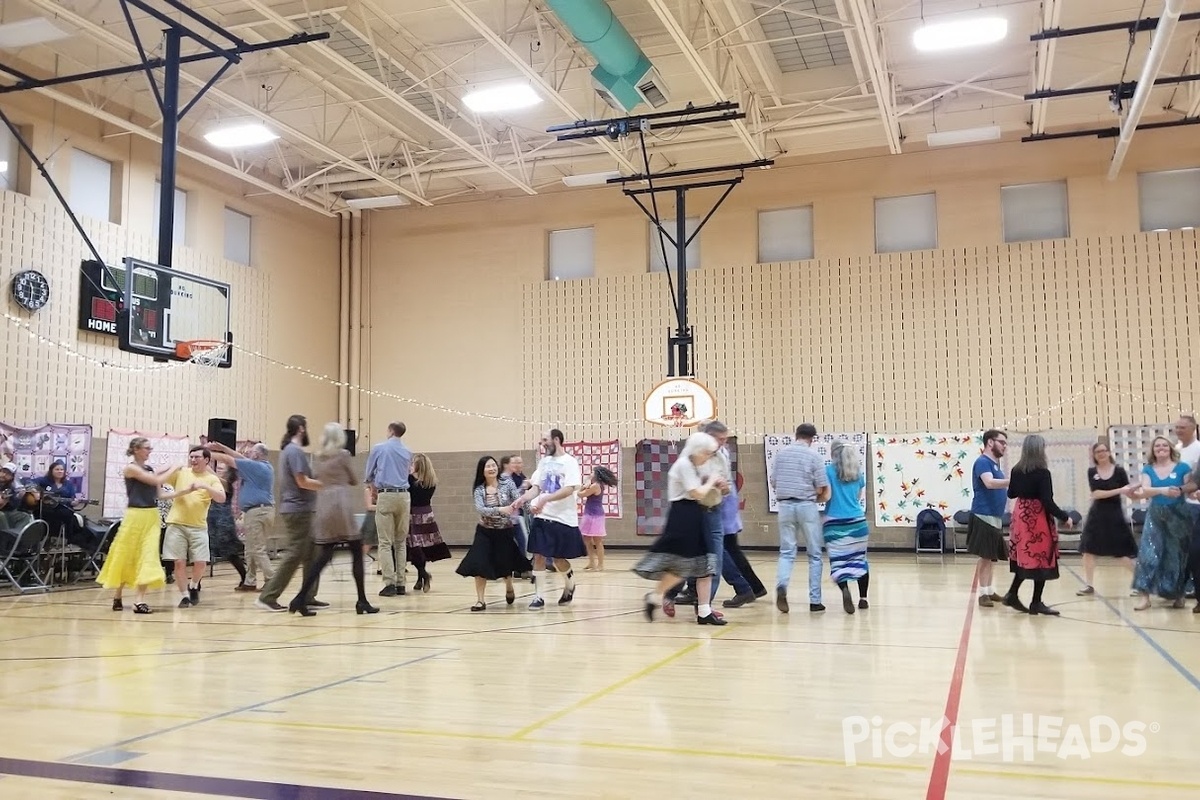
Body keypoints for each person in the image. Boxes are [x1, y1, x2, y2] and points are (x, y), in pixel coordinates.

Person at [634, 432, 728, 626]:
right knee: (681, 566)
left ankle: (704, 611)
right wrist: (711, 482)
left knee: (705, 565)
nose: (709, 457)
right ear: (698, 450)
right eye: (707, 453)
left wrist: (719, 485)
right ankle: (655, 596)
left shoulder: (696, 466)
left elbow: (708, 492)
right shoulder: (684, 464)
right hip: (683, 516)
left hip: (697, 514)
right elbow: (696, 493)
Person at [287, 423, 378, 616]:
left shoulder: (318, 456)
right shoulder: (343, 455)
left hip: (324, 504)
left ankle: (300, 598)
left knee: (325, 554)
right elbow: (353, 480)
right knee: (356, 551)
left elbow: (317, 479)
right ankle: (362, 601)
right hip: (341, 504)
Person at [256, 415, 326, 612]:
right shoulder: (294, 451)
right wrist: (326, 485)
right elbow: (302, 481)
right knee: (295, 554)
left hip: (303, 509)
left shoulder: (291, 450)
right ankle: (268, 596)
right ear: (301, 429)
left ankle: (308, 595)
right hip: (298, 510)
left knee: (312, 554)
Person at [98, 438, 173, 614]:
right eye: (147, 448)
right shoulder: (131, 468)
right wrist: (175, 468)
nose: (149, 451)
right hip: (134, 516)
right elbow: (155, 480)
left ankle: (139, 601)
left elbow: (159, 493)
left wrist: (187, 490)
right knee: (127, 555)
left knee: (148, 555)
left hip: (151, 516)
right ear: (137, 449)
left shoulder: (148, 469)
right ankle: (118, 595)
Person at [515, 429, 586, 609]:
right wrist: (523, 498)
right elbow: (537, 488)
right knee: (538, 555)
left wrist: (546, 499)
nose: (543, 443)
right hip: (542, 516)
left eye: (545, 439)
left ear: (556, 439)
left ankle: (570, 584)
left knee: (558, 560)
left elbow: (569, 489)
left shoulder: (570, 462)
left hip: (563, 518)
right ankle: (538, 597)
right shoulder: (544, 462)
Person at [1003, 434, 1072, 615]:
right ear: (1039, 450)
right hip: (1037, 518)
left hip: (1021, 516)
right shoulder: (1043, 473)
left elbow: (1011, 494)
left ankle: (1012, 594)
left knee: (1025, 557)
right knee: (1042, 558)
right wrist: (1065, 516)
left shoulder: (1016, 470)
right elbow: (1047, 501)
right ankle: (1036, 602)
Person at [456, 456, 531, 610]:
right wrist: (499, 509)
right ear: (482, 471)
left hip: (504, 531)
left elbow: (518, 499)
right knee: (479, 562)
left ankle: (509, 585)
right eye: (488, 466)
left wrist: (530, 508)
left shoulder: (507, 484)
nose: (492, 468)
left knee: (505, 562)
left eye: (493, 465)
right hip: (485, 532)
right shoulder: (479, 489)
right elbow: (480, 508)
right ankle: (480, 600)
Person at [771, 423, 831, 613]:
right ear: (812, 439)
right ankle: (815, 601)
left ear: (795, 435)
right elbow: (822, 487)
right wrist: (815, 496)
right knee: (814, 554)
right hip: (807, 505)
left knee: (786, 552)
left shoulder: (781, 454)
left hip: (785, 506)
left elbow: (773, 481)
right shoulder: (814, 456)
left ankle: (782, 585)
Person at [1131, 436, 1192, 611]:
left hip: (1179, 515)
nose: (1161, 448)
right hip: (1156, 515)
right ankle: (1144, 596)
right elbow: (1145, 490)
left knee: (1177, 555)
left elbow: (1189, 488)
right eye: (1157, 446)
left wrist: (1192, 493)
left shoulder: (1183, 468)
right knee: (1148, 554)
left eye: (1165, 445)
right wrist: (1163, 490)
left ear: (1171, 448)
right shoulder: (1148, 469)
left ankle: (1178, 594)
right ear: (1153, 450)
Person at [162, 446, 226, 608]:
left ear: (206, 460)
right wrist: (171, 467)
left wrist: (205, 487)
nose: (193, 460)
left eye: (197, 457)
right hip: (176, 523)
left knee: (200, 562)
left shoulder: (211, 479)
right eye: (191, 457)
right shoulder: (182, 473)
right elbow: (157, 477)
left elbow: (221, 498)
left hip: (198, 526)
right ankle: (184, 596)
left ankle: (194, 585)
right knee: (179, 562)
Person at [208, 441, 275, 592]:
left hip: (258, 511)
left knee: (257, 549)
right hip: (259, 511)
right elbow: (236, 457)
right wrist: (223, 447)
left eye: (251, 452)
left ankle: (272, 580)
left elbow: (229, 460)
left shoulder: (256, 466)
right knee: (250, 549)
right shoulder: (264, 466)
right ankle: (249, 581)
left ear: (257, 454)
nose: (248, 454)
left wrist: (204, 455)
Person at [1076, 442, 1138, 596]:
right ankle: (1089, 585)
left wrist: (1137, 490)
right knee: (1088, 550)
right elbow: (1096, 494)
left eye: (1104, 450)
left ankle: (1140, 582)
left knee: (1121, 553)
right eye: (1097, 452)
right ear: (1094, 455)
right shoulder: (1092, 472)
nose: (1101, 453)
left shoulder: (1119, 471)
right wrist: (1119, 490)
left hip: (1114, 515)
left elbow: (1128, 491)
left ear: (1109, 452)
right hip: (1096, 515)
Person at [365, 421, 413, 597]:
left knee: (385, 542)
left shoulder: (379, 448)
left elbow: (369, 473)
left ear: (390, 431)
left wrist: (372, 486)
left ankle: (389, 583)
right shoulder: (408, 451)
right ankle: (401, 583)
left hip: (386, 494)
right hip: (404, 496)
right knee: (401, 541)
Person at [824, 440, 870, 614]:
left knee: (838, 561)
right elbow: (859, 496)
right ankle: (863, 598)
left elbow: (826, 495)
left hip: (833, 522)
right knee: (860, 560)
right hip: (857, 522)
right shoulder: (857, 473)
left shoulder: (827, 471)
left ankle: (844, 590)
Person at [966, 429, 1010, 608]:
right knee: (985, 557)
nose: (1004, 446)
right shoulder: (983, 462)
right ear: (990, 443)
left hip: (994, 516)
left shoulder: (995, 465)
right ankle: (983, 593)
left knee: (992, 557)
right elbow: (989, 483)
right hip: (983, 515)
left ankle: (990, 590)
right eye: (1002, 442)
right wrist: (1012, 481)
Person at [407, 453, 450, 592]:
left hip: (414, 515)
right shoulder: (431, 482)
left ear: (418, 466)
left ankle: (424, 575)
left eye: (413, 464)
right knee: (421, 548)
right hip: (427, 514)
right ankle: (421, 578)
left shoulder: (410, 480)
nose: (411, 466)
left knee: (415, 547)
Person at [578, 466, 617, 571]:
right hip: (588, 514)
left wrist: (583, 487)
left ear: (596, 475)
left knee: (597, 541)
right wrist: (586, 485)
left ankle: (600, 565)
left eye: (592, 472)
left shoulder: (595, 486)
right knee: (587, 539)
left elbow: (580, 494)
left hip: (596, 515)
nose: (590, 473)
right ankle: (591, 562)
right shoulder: (593, 485)